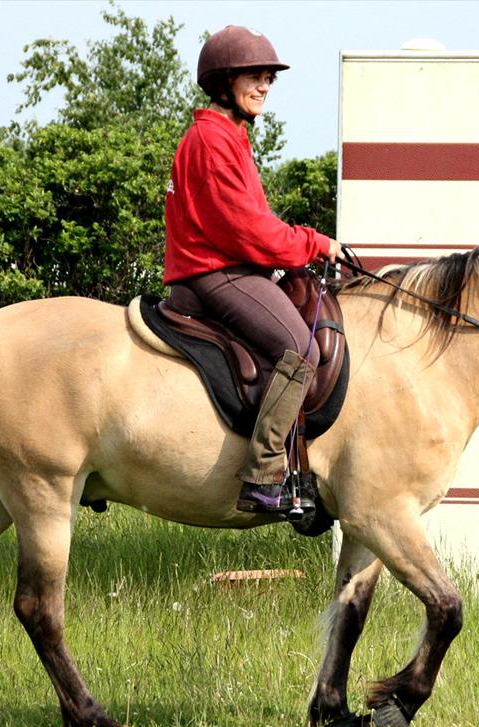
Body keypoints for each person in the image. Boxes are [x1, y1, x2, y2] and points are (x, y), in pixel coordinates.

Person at [164, 25, 343, 514]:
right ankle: (264, 476)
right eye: (254, 76)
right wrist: (315, 242)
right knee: (302, 348)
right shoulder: (211, 140)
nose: (264, 86)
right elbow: (249, 231)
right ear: (225, 82)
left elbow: (254, 223)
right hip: (216, 272)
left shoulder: (230, 135)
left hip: (226, 266)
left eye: (269, 78)